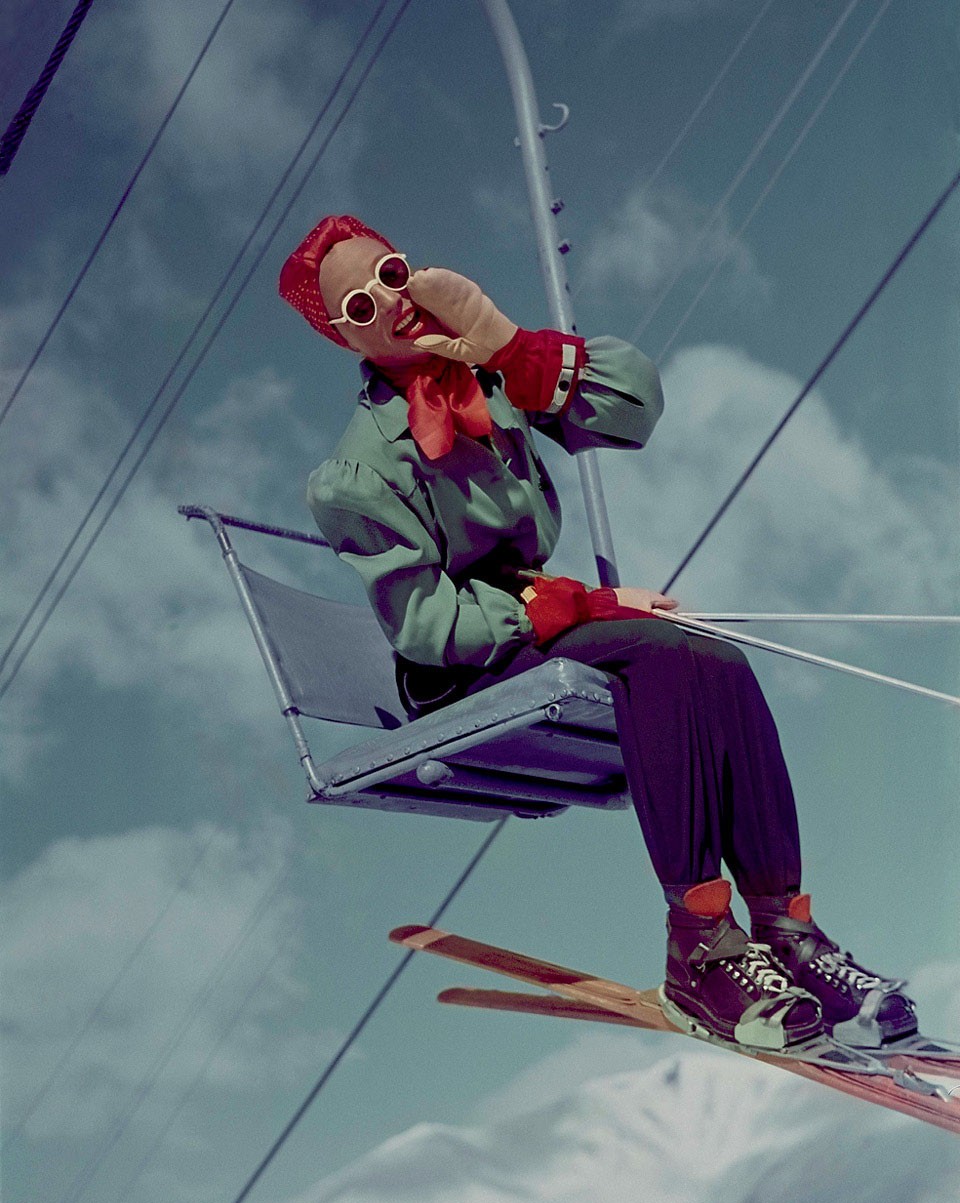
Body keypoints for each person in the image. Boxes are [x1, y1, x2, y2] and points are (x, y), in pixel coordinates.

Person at [279, 213, 917, 1054]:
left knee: (716, 659)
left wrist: (509, 345)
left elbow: (637, 406)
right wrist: (578, 606)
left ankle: (786, 930)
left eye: (390, 274)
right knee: (659, 659)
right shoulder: (356, 471)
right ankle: (700, 947)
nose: (388, 302)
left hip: (540, 622)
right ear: (342, 335)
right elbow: (428, 625)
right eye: (360, 305)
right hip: (466, 663)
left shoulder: (485, 378)